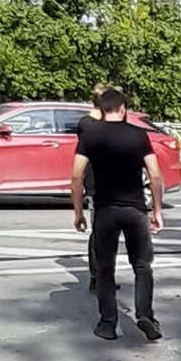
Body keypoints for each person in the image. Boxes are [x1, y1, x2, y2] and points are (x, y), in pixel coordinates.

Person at [71, 87, 163, 342]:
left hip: (105, 210)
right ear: (123, 109)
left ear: (101, 109)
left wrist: (78, 212)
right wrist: (156, 210)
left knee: (105, 268)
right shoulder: (139, 135)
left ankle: (107, 323)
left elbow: (77, 174)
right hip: (135, 209)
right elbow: (154, 174)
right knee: (142, 265)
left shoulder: (90, 134)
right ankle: (145, 314)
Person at [76, 83, 108, 294]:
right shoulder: (88, 124)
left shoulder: (99, 123)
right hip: (97, 184)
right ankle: (98, 277)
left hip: (109, 184)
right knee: (99, 233)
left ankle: (105, 275)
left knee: (107, 233)